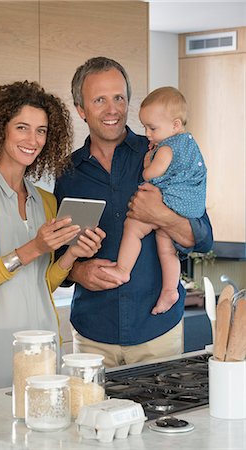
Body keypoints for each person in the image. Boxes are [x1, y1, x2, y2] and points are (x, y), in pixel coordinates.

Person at [54, 57, 213, 368]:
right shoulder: (68, 174)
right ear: (81, 109)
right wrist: (78, 271)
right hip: (91, 335)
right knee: (91, 418)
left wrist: (161, 216)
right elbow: (57, 257)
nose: (112, 109)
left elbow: (204, 238)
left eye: (119, 98)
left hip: (157, 332)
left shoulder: (158, 153)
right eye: (99, 100)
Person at [0, 80, 105, 393]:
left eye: (41, 130)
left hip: (45, 345)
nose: (32, 139)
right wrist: (34, 247)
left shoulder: (45, 200)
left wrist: (72, 253)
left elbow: (41, 283)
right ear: (0, 129)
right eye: (22, 127)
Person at [103, 86, 207, 315]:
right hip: (189, 205)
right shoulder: (189, 143)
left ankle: (122, 269)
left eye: (152, 128)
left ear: (175, 125)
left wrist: (149, 159)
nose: (148, 134)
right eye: (145, 127)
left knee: (133, 227)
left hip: (171, 202)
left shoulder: (167, 148)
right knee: (166, 246)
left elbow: (150, 175)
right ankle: (170, 289)